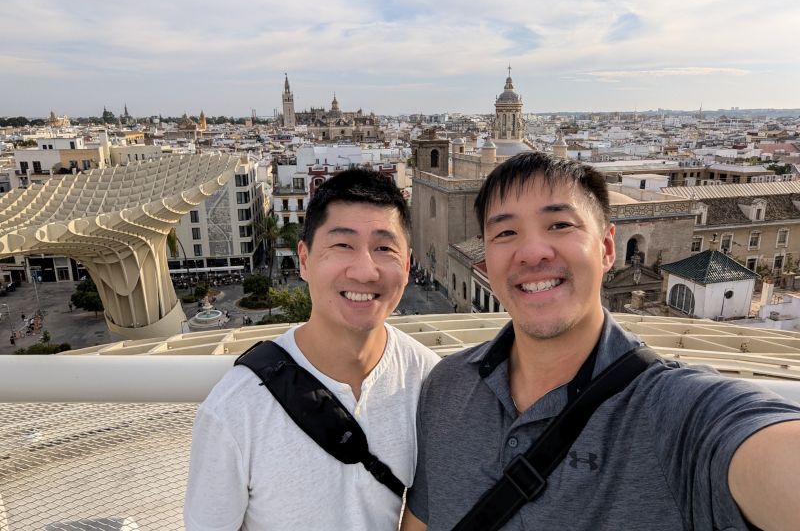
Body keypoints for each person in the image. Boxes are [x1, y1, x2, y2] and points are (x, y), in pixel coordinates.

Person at [403, 152, 800, 531]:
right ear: (486, 258)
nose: (533, 253)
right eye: (506, 232)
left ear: (607, 247)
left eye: (560, 225)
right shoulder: (445, 386)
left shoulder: (676, 410)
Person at [185, 169, 440, 530]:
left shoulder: (430, 383)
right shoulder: (236, 409)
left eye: (384, 248)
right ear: (304, 260)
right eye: (343, 245)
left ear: (407, 264)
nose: (365, 271)